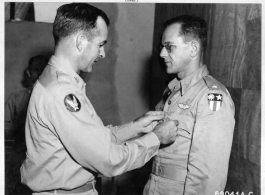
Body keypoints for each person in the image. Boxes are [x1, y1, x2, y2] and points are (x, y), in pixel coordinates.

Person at [20, 3, 179, 195]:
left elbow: (94, 140)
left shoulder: (57, 81)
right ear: (80, 41)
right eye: (100, 44)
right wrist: (157, 138)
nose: (102, 53)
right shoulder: (61, 92)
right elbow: (108, 159)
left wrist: (135, 127)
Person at [143, 15, 235, 195]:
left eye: (169, 47)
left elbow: (208, 177)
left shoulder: (211, 96)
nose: (162, 53)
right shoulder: (172, 91)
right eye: (162, 47)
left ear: (193, 48)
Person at [5, 55, 48, 195]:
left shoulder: (53, 98)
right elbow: (4, 127)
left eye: (43, 69)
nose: (40, 73)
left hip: (45, 161)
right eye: (36, 69)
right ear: (29, 73)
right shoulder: (16, 99)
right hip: (20, 158)